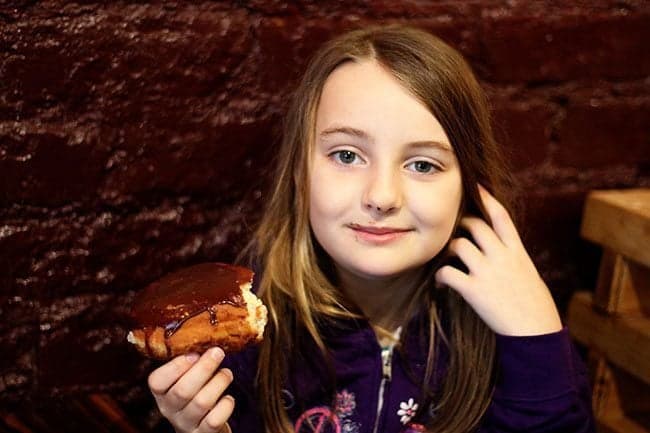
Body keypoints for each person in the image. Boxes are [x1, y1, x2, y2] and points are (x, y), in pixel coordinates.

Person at [146, 25, 595, 433]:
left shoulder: (514, 334)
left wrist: (537, 342)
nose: (382, 196)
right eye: (346, 156)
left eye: (423, 164)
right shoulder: (242, 331)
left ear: (466, 189)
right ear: (300, 175)